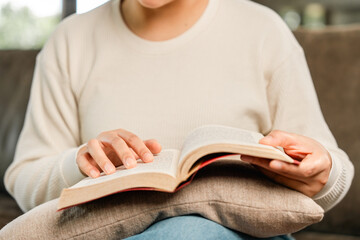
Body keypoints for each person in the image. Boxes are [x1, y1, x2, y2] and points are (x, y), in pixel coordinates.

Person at [4, 0, 354, 239]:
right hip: (112, 228)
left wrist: (320, 174)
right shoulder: (71, 40)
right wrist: (81, 164)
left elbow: (331, 171)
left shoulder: (262, 30)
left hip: (243, 231)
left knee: (187, 232)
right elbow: (24, 177)